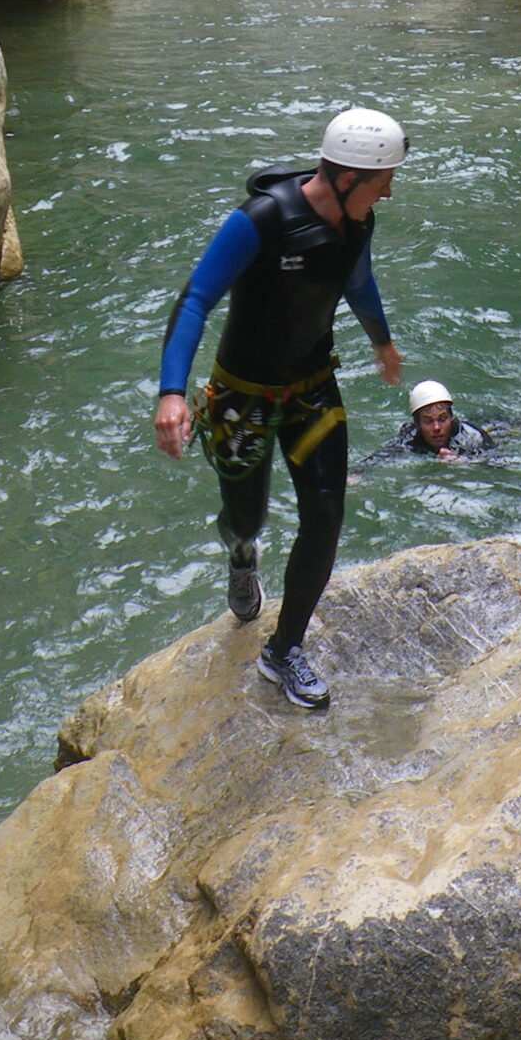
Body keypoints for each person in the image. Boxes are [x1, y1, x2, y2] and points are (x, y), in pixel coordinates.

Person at [155, 108, 406, 712]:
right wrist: (170, 391)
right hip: (241, 395)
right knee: (247, 515)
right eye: (381, 180)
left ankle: (283, 649)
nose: (389, 191)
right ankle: (242, 554)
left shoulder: (358, 220)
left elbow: (358, 283)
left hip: (313, 386)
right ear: (345, 176)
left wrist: (381, 340)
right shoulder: (261, 221)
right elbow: (195, 299)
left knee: (325, 516)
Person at [391, 380, 492, 461]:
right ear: (417, 424)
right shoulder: (409, 438)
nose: (436, 427)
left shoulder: (473, 437)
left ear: (451, 418)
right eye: (428, 421)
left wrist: (464, 461)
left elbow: (495, 464)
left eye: (443, 419)